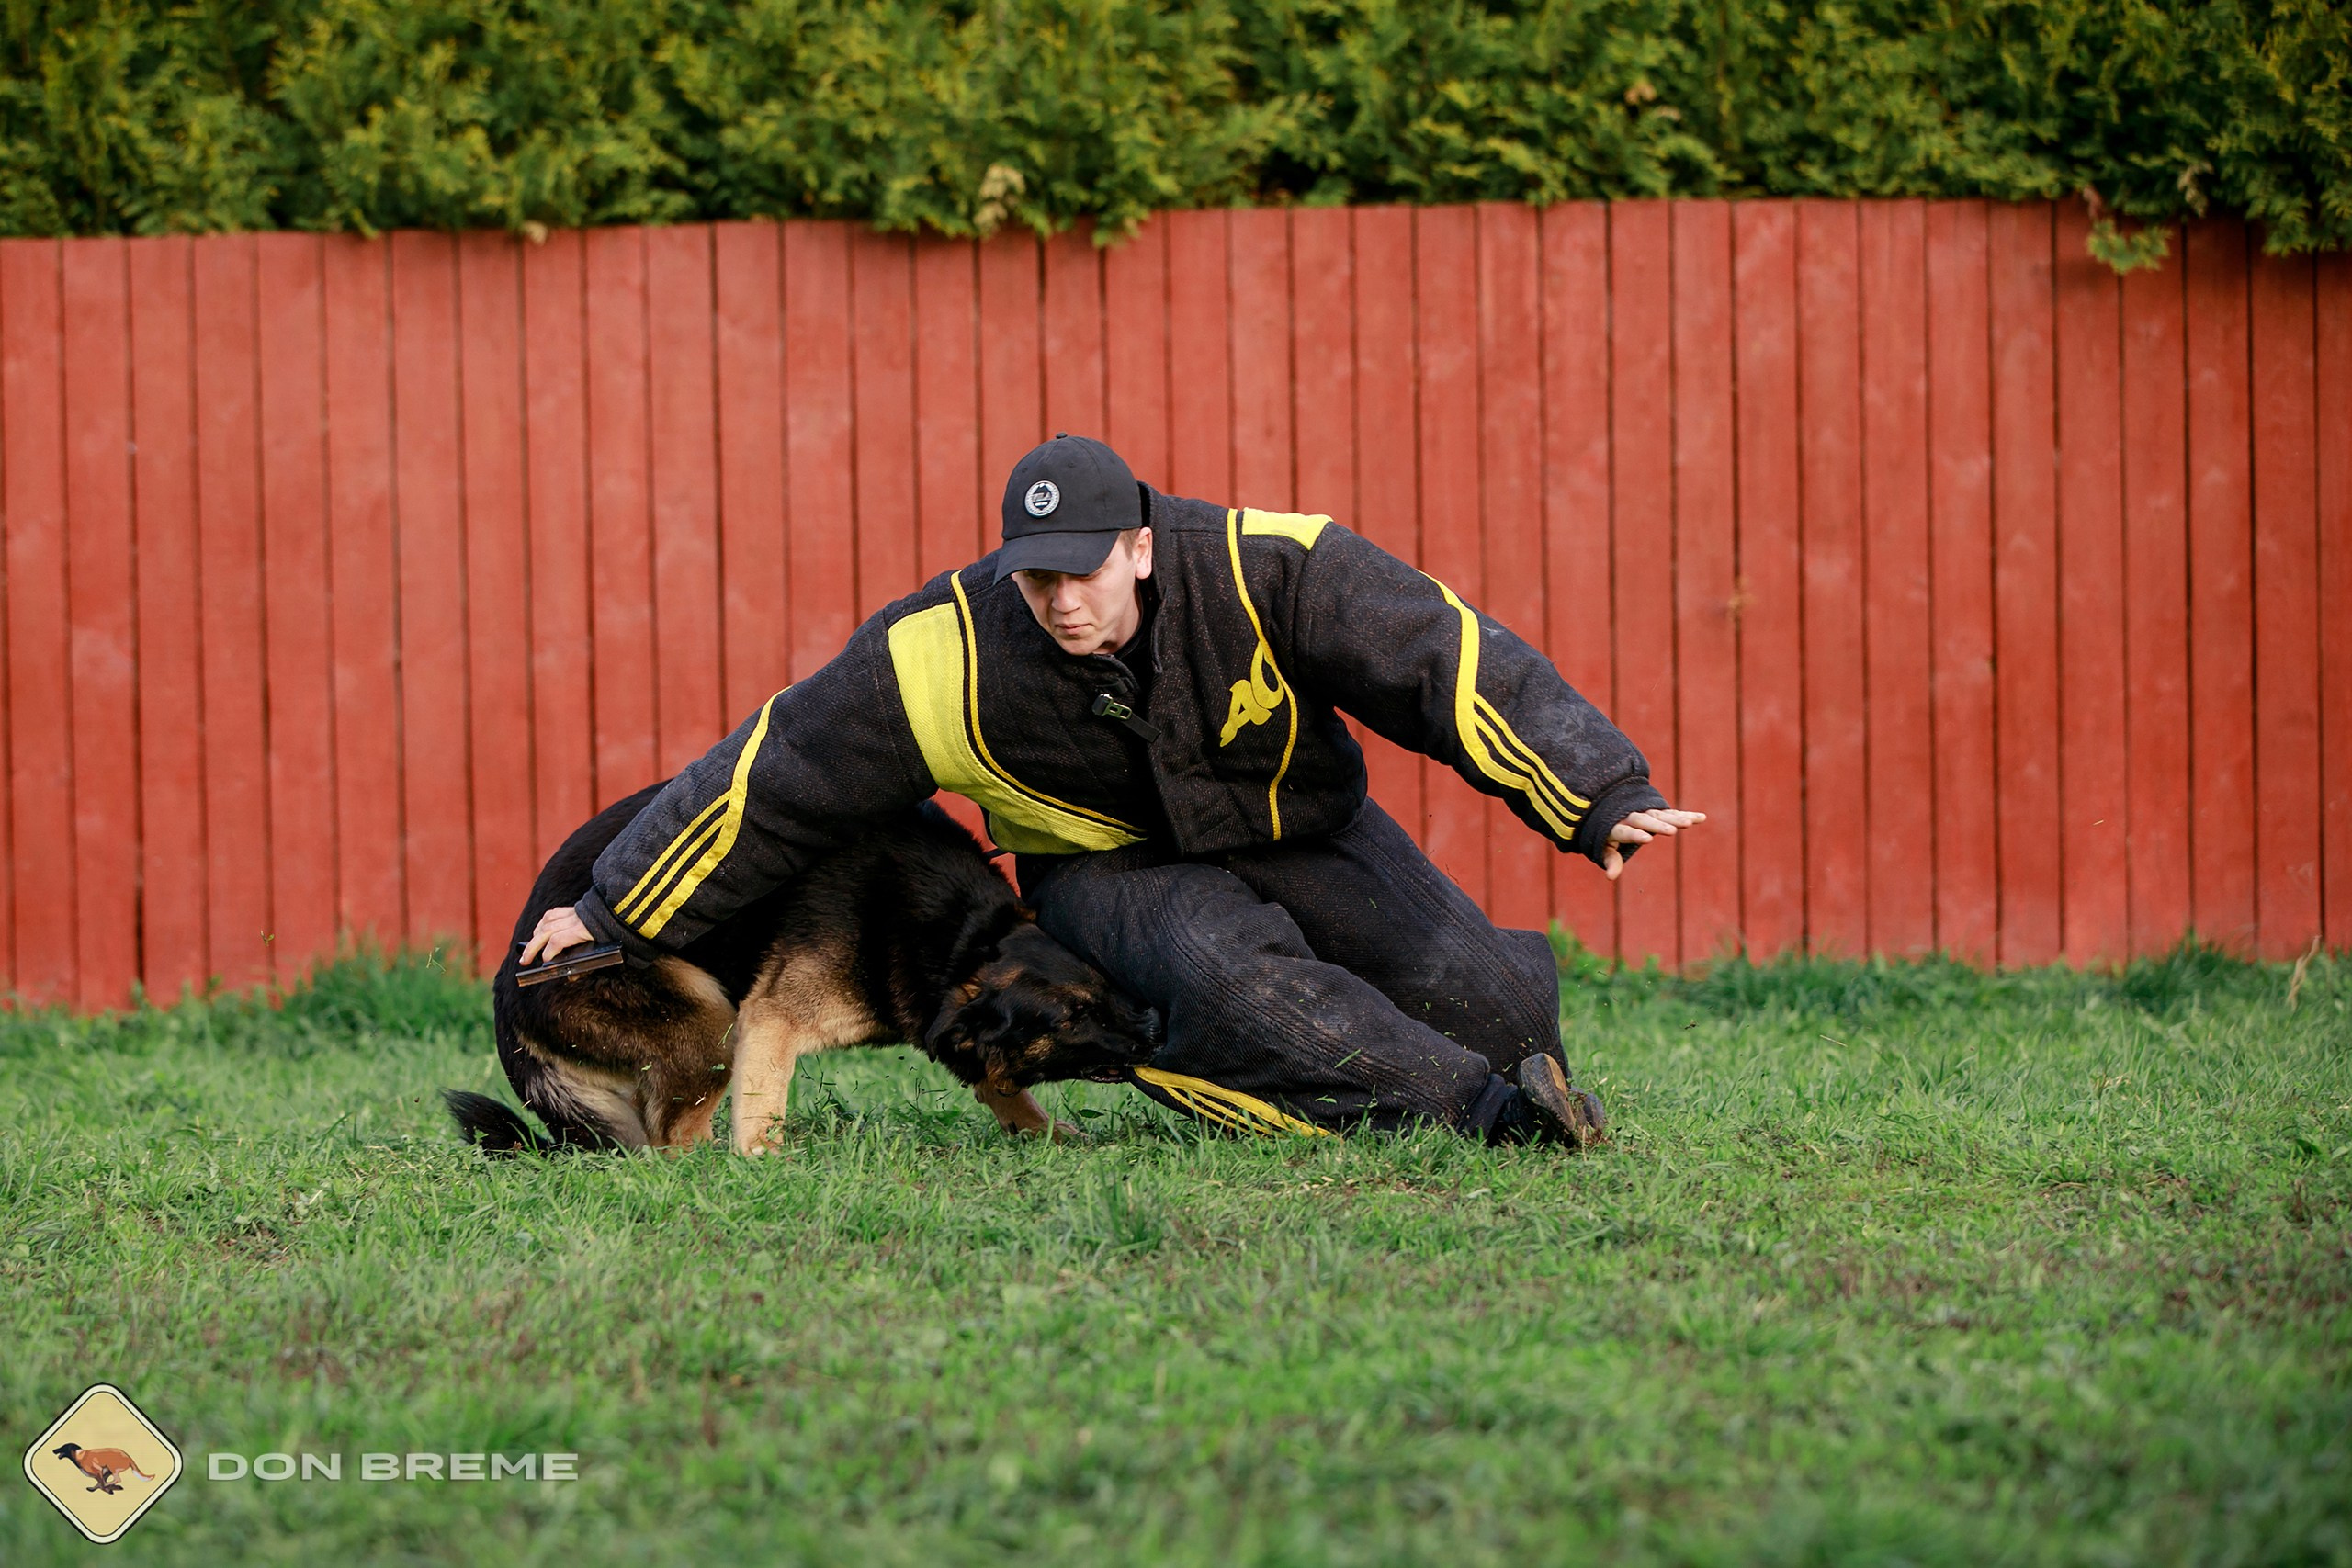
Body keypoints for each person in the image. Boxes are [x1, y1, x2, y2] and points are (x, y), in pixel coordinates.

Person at [520, 434, 1702, 1145]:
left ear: (1138, 544)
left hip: (1300, 822)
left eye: (1083, 572)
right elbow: (768, 776)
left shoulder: (1266, 563)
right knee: (1235, 989)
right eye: (1034, 581)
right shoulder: (936, 655)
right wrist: (616, 913)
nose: (1062, 601)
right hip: (1107, 870)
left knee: (1496, 1008)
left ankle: (1486, 1073)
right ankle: (1475, 1122)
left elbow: (1438, 653)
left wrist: (1592, 788)